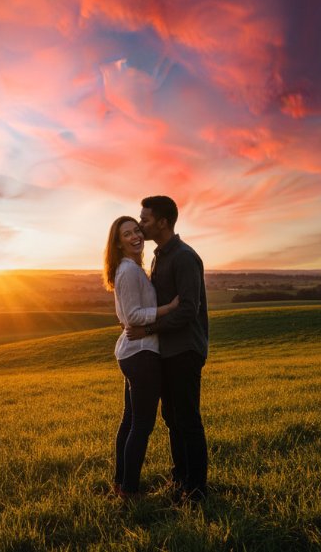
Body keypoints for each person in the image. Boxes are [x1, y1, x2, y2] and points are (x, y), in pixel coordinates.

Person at [127, 195, 209, 503]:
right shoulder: (159, 255)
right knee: (172, 417)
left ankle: (197, 490)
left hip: (185, 349)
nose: (140, 224)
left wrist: (147, 329)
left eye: (145, 219)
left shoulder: (184, 257)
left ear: (163, 222)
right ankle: (181, 481)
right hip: (168, 350)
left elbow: (188, 310)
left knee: (187, 419)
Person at [103, 216, 179, 500]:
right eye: (127, 234)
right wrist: (168, 308)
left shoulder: (131, 269)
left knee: (130, 422)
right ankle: (130, 491)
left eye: (137, 230)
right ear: (118, 243)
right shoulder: (129, 271)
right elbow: (133, 316)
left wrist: (132, 320)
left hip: (134, 353)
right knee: (141, 425)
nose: (135, 236)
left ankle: (121, 484)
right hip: (142, 354)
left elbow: (126, 314)